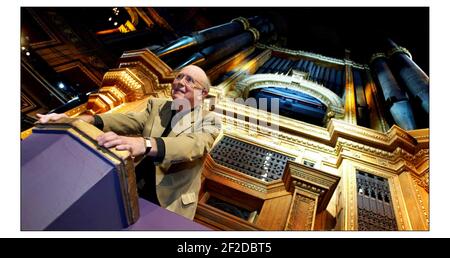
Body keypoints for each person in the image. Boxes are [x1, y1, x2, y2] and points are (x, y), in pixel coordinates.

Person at [36, 65, 221, 220]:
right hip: (131, 187)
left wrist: (145, 144)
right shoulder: (157, 106)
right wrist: (85, 120)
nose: (180, 82)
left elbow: (192, 146)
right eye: (179, 77)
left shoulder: (210, 120)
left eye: (189, 80)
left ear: (203, 93)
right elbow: (127, 121)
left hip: (168, 202)